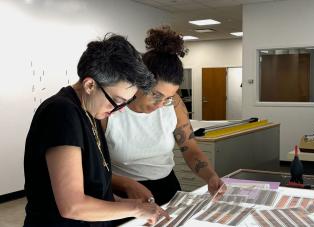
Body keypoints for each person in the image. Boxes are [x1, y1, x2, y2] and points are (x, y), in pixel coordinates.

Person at [23, 33, 169, 227]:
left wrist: (133, 204)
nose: (119, 110)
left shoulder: (90, 112)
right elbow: (73, 206)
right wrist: (136, 209)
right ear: (90, 85)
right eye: (117, 101)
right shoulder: (62, 112)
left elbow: (95, 193)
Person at [102, 26, 224, 206]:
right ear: (138, 81)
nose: (160, 105)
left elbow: (190, 148)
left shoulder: (174, 104)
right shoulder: (109, 110)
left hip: (167, 188)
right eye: (156, 95)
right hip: (124, 193)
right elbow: (93, 167)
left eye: (168, 97)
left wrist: (211, 176)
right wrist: (126, 184)